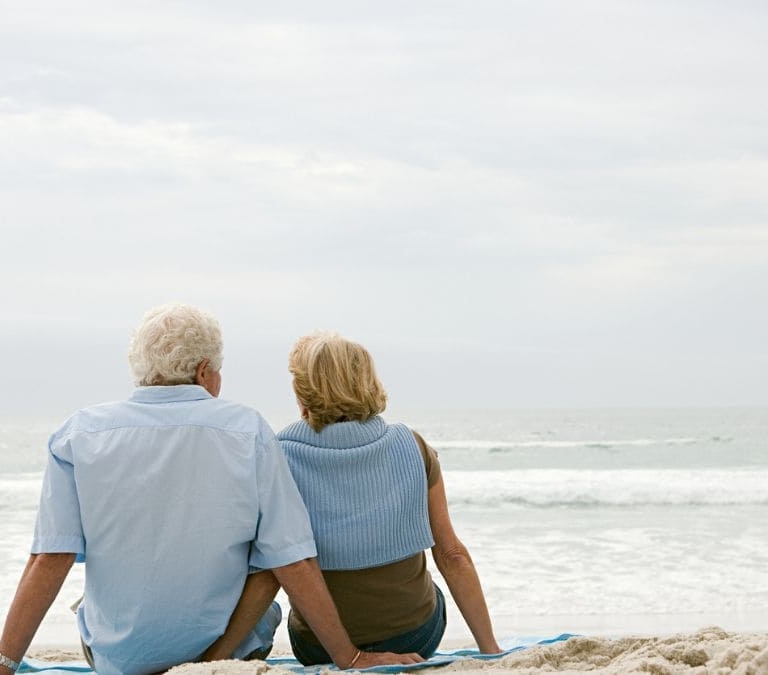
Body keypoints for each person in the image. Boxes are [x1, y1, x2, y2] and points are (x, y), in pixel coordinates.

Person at [0, 305, 421, 675]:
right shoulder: (247, 430)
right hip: (226, 655)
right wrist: (348, 657)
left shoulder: (79, 434)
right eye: (217, 370)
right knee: (261, 595)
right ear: (204, 371)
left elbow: (49, 558)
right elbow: (290, 557)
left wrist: (5, 661)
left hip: (117, 661)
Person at [274, 331, 502, 665]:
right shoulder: (412, 446)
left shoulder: (280, 457)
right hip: (415, 637)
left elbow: (280, 564)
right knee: (430, 593)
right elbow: (452, 554)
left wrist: (350, 658)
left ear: (302, 392)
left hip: (319, 647)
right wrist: (491, 651)